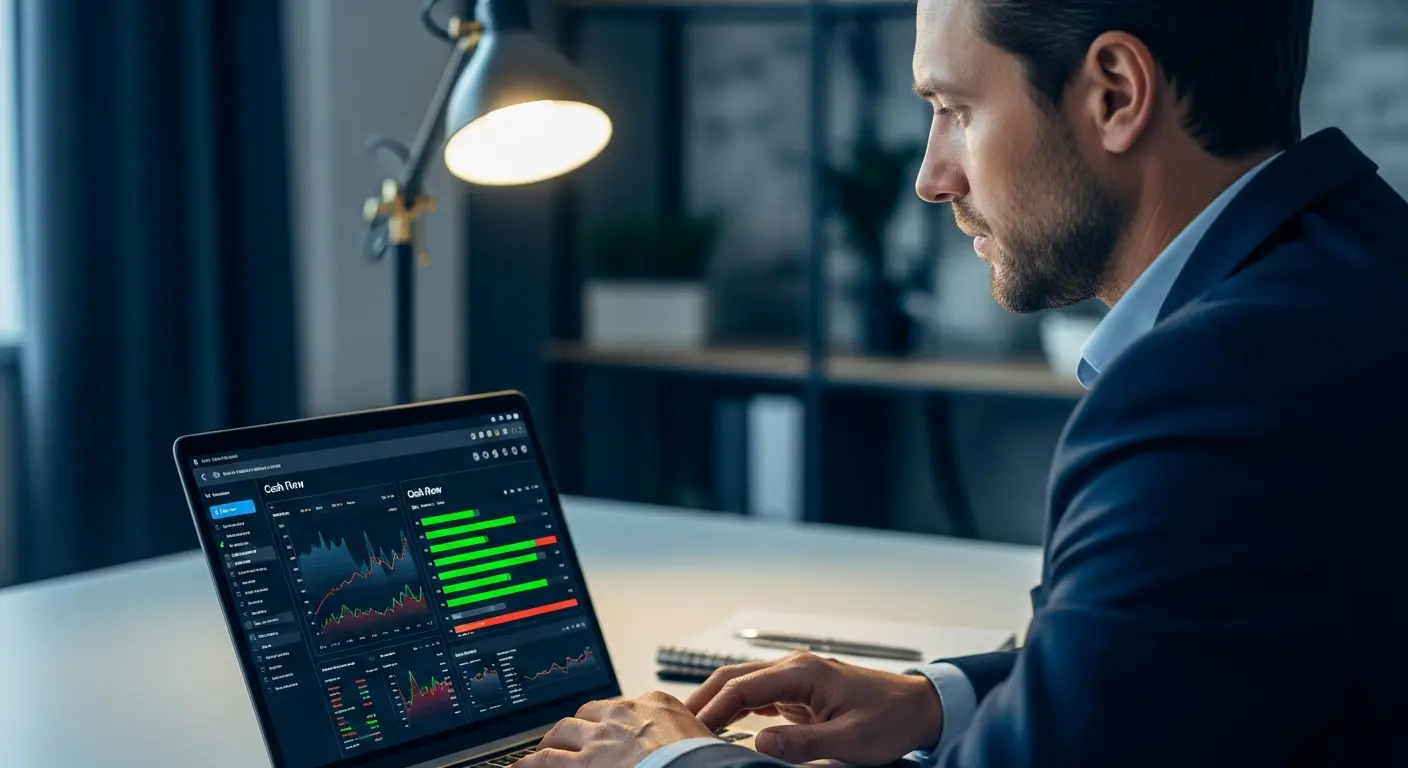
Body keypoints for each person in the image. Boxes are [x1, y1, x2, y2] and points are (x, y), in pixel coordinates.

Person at [517, 0, 1408, 764]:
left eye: (955, 108)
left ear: (1115, 95)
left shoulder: (1210, 394)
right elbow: (1187, 663)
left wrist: (676, 757)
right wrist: (937, 700)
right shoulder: (1361, 263)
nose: (932, 177)